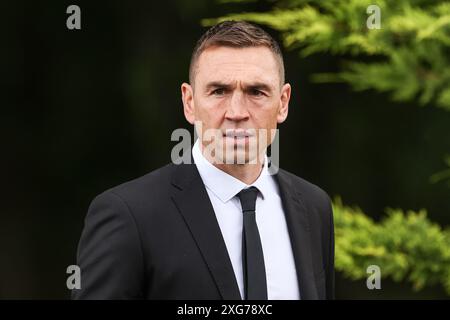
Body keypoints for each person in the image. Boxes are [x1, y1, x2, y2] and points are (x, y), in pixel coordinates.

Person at [72, 20, 334, 300]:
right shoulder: (129, 215)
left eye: (256, 92)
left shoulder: (313, 207)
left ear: (283, 102)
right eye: (219, 91)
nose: (236, 111)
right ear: (189, 102)